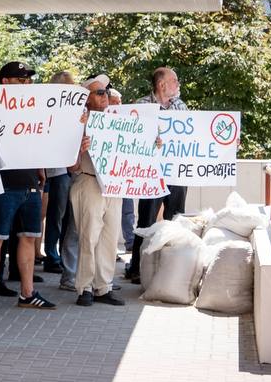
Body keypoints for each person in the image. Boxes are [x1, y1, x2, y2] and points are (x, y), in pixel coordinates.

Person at [0, 61, 56, 314]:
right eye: (21, 80)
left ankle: (27, 293)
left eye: (28, 80)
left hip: (29, 182)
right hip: (1, 183)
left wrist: (40, 167)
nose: (27, 84)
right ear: (5, 82)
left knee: (28, 237)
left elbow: (41, 135)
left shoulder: (33, 109)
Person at [126, 67, 188, 283]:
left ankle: (170, 270)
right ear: (162, 85)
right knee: (146, 221)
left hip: (176, 173)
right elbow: (132, 138)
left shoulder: (181, 106)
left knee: (176, 220)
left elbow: (194, 135)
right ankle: (136, 268)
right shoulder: (142, 106)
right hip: (151, 174)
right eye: (175, 80)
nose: (178, 84)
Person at [69, 74, 126, 307]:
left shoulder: (119, 121)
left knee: (110, 238)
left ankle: (103, 287)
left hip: (113, 185)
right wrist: (80, 150)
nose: (106, 96)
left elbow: (136, 149)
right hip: (89, 180)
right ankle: (84, 287)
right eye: (100, 92)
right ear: (87, 98)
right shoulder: (76, 122)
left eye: (107, 92)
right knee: (89, 237)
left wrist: (153, 143)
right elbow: (70, 166)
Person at [42, 71, 76, 274]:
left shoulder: (75, 108)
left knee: (67, 216)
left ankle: (62, 257)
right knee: (57, 214)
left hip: (71, 167)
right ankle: (52, 256)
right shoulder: (49, 106)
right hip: (57, 169)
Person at [110, 87, 137, 252]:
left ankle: (131, 242)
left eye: (119, 102)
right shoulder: (101, 122)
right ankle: (110, 249)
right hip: (108, 175)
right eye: (114, 102)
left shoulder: (127, 122)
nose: (118, 105)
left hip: (124, 172)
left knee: (128, 210)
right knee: (109, 216)